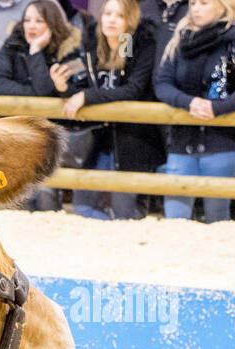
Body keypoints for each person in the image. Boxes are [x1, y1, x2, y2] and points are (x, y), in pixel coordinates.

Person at [153, 0, 235, 222]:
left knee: (217, 219)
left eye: (204, 3)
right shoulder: (179, 39)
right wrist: (188, 102)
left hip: (222, 142)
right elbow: (162, 84)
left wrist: (220, 107)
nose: (196, 8)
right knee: (175, 218)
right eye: (193, 3)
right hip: (181, 141)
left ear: (221, 6)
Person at [59, 0, 163, 218]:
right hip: (100, 140)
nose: (112, 20)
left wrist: (87, 96)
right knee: (83, 206)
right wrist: (64, 87)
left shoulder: (138, 44)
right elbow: (82, 86)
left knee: (125, 212)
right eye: (107, 14)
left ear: (130, 20)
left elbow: (132, 89)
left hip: (134, 141)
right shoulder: (94, 46)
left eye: (120, 15)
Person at [0, 1, 84, 209]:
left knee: (45, 199)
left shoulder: (70, 49)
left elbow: (44, 89)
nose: (31, 26)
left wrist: (35, 52)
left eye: (39, 21)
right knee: (15, 202)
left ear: (53, 23)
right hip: (14, 137)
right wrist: (35, 95)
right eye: (27, 20)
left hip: (50, 141)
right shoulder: (12, 43)